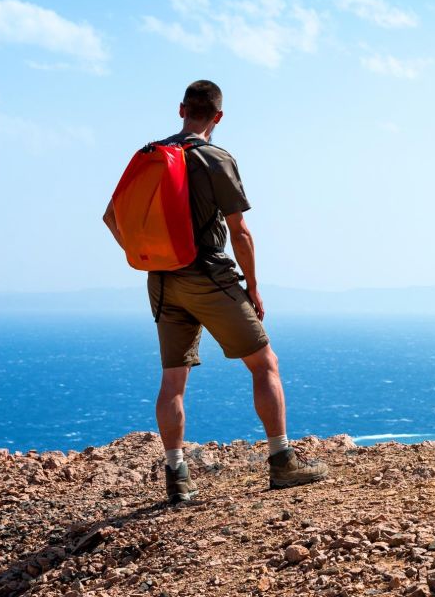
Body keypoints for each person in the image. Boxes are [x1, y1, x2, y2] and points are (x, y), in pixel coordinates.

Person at [102, 80, 327, 503]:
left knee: (173, 379)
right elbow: (240, 232)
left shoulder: (150, 156)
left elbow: (112, 217)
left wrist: (147, 257)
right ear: (218, 116)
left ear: (181, 109)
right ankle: (282, 463)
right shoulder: (215, 159)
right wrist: (253, 287)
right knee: (265, 364)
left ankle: (177, 476)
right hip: (208, 274)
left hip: (162, 281)